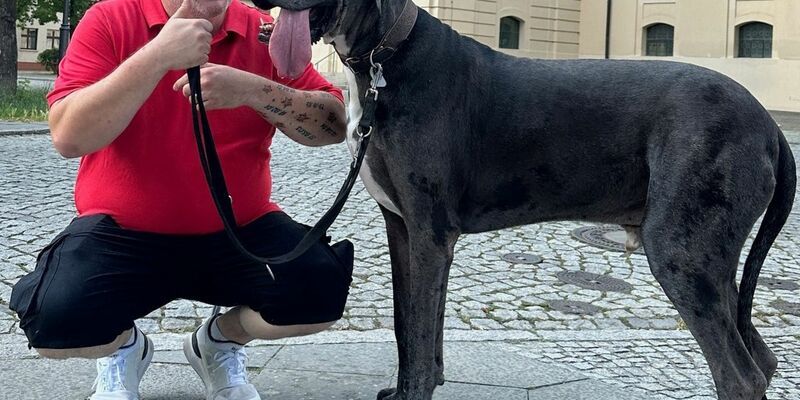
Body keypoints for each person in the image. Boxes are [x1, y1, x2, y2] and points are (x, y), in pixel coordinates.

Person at [9, 0, 353, 399]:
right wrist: (157, 57)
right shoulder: (111, 17)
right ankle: (124, 349)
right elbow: (69, 137)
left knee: (322, 289)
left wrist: (252, 89)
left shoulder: (262, 31)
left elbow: (333, 125)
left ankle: (218, 343)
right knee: (54, 321)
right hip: (122, 233)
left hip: (239, 231)